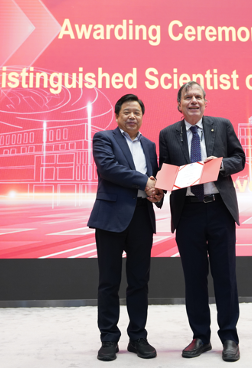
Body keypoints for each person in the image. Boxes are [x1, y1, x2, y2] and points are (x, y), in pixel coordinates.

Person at [159, 81, 246, 362]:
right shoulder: (167, 134)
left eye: (198, 96)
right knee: (194, 278)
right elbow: (165, 173)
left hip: (219, 210)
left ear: (206, 102)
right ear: (179, 105)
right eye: (188, 97)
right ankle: (200, 337)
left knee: (225, 276)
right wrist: (158, 186)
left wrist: (218, 166)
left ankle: (229, 337)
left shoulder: (222, 125)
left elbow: (239, 159)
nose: (193, 101)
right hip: (188, 213)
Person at [87, 93, 163, 362]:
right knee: (109, 282)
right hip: (110, 218)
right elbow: (108, 168)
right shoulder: (104, 138)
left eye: (137, 112)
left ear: (142, 117)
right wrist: (145, 182)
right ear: (117, 115)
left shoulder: (149, 145)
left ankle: (138, 337)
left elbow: (155, 178)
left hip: (142, 217)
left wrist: (158, 192)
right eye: (127, 112)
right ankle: (108, 338)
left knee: (139, 281)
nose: (132, 116)